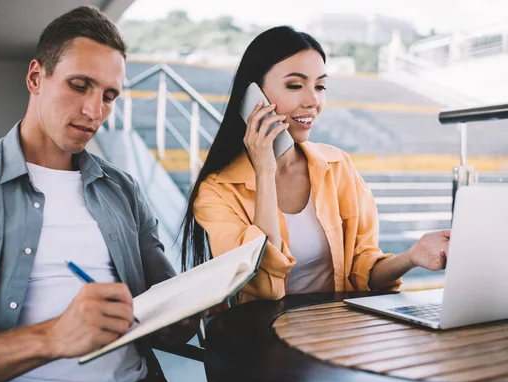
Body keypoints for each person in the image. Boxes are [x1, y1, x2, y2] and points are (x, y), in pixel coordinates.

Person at [0, 6, 201, 382]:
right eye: (80, 85)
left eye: (109, 96)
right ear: (35, 77)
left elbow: (165, 315)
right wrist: (52, 336)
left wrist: (191, 310)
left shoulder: (124, 190)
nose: (95, 111)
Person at [181, 26, 450, 304]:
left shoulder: (337, 166)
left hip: (332, 333)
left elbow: (361, 272)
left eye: (320, 86)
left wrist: (412, 256)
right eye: (295, 85)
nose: (313, 101)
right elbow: (264, 286)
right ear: (253, 97)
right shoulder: (216, 192)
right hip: (261, 339)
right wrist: (265, 171)